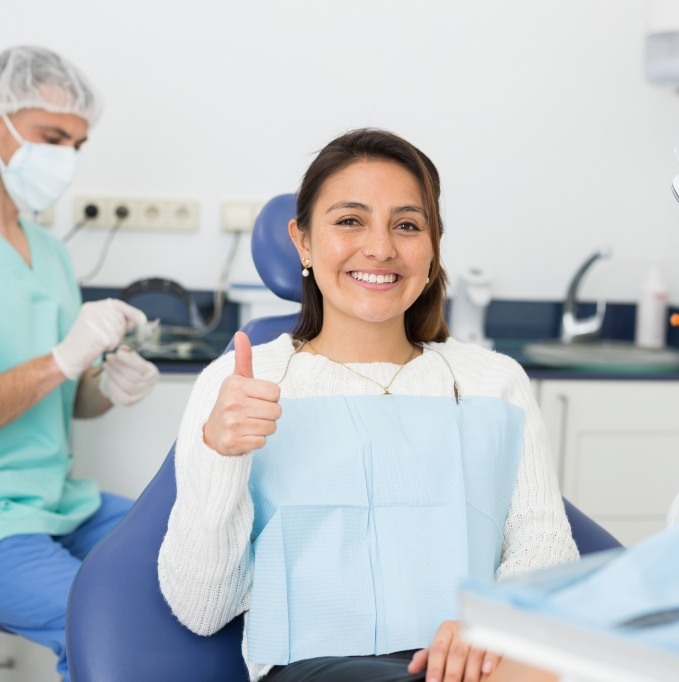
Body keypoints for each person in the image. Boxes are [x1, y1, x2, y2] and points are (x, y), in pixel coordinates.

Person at [158, 128, 578, 682]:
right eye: (349, 220)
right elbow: (203, 609)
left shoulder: (491, 380)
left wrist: (494, 625)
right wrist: (221, 455)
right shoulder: (243, 382)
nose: (381, 248)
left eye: (407, 225)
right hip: (320, 666)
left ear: (432, 248)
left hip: (478, 661)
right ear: (303, 242)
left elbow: (544, 550)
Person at [0, 45, 159, 680]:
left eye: (77, 144)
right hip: (4, 523)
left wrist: (106, 387)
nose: (64, 158)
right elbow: (53, 366)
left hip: (62, 500)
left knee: (198, 558)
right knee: (107, 628)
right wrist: (64, 359)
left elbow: (66, 398)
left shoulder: (49, 250)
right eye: (50, 137)